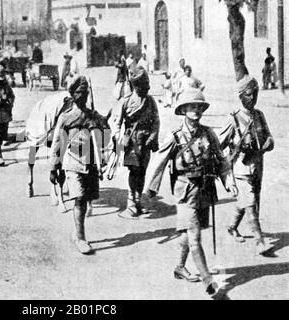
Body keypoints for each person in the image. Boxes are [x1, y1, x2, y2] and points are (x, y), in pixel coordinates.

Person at [145, 88, 238, 297]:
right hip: (185, 193)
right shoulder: (175, 137)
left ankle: (179, 267)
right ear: (184, 110)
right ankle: (209, 282)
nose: (196, 110)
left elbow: (221, 160)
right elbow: (158, 162)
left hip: (204, 190)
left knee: (188, 233)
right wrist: (150, 189)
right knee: (194, 237)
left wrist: (229, 182)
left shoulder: (208, 133)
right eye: (192, 106)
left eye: (199, 107)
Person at [219, 75, 274, 255]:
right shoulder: (233, 118)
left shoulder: (259, 115)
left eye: (255, 94)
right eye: (249, 94)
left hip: (258, 165)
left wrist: (269, 143)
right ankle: (260, 242)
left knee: (250, 199)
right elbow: (218, 144)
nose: (253, 98)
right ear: (241, 96)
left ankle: (232, 226)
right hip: (241, 167)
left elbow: (269, 136)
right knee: (250, 202)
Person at [49, 76, 105, 254]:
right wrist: (53, 167)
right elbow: (57, 143)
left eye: (86, 92)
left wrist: (99, 123)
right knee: (79, 199)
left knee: (87, 198)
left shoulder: (92, 115)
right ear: (72, 95)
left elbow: (103, 135)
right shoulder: (65, 118)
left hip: (90, 163)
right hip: (72, 162)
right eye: (79, 92)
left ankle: (77, 232)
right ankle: (81, 238)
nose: (83, 96)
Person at [113, 66, 160, 219]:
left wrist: (153, 136)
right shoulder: (126, 101)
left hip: (146, 142)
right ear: (135, 86)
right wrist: (118, 139)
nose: (146, 89)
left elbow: (156, 121)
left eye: (147, 86)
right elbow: (117, 123)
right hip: (131, 143)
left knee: (142, 172)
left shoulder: (151, 101)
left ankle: (138, 202)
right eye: (142, 86)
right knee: (134, 172)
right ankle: (131, 204)